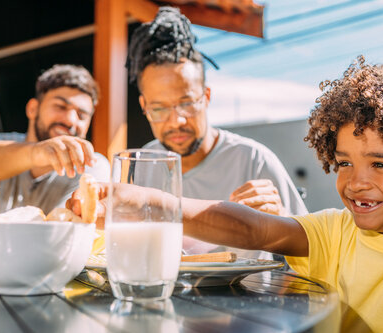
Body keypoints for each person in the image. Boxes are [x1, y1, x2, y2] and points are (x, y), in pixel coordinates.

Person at [69, 54, 383, 333]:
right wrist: (143, 200)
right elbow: (253, 229)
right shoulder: (337, 229)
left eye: (381, 164)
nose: (356, 181)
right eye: (343, 162)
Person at [127, 7, 307, 256]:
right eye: (159, 109)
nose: (176, 120)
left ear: (206, 97)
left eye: (187, 103)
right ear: (144, 107)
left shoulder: (253, 160)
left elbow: (311, 246)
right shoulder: (143, 163)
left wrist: (282, 218)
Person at [0, 64, 110, 214]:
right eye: (60, 106)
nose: (70, 120)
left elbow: (67, 229)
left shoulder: (92, 167)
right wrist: (36, 152)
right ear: (33, 109)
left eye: (81, 115)